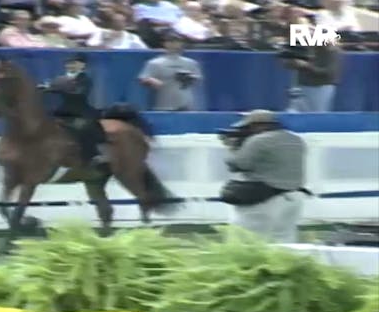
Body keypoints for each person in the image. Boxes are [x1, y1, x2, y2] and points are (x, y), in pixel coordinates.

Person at [219, 109, 308, 243]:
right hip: (294, 197)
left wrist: (232, 147)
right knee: (284, 242)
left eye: (248, 127)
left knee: (245, 242)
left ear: (259, 125)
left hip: (265, 199)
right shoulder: (296, 139)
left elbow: (237, 164)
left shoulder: (258, 140)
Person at [40, 53, 108, 167]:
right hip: (62, 109)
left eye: (73, 63)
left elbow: (79, 93)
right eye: (68, 63)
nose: (70, 66)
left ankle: (93, 155)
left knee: (85, 128)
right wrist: (45, 89)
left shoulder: (85, 79)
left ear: (82, 65)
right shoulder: (60, 78)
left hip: (80, 111)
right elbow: (52, 89)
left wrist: (59, 89)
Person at [138, 31, 202, 111]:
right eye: (170, 41)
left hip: (185, 104)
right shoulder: (155, 63)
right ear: (165, 44)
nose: (173, 44)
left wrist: (188, 78)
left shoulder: (191, 63)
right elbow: (143, 78)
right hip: (164, 104)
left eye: (177, 41)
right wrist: (152, 81)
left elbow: (197, 79)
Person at [282, 39, 342, 113]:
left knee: (317, 114)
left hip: (321, 87)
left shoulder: (331, 51)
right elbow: (287, 63)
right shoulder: (303, 46)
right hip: (302, 86)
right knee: (293, 112)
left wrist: (306, 66)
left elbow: (329, 72)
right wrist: (292, 62)